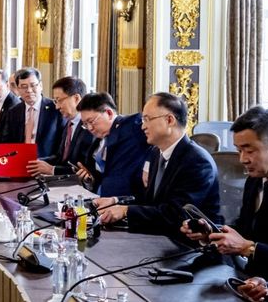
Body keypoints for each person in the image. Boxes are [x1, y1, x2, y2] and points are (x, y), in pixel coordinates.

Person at [180, 107, 268, 281]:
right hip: (249, 281)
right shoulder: (255, 179)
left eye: (249, 150)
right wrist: (213, 233)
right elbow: (247, 229)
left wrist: (249, 248)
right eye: (239, 150)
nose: (242, 159)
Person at [94, 92, 221, 236]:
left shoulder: (197, 161)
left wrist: (126, 211)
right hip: (158, 237)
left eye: (147, 119)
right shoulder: (156, 154)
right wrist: (116, 201)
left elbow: (178, 215)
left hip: (188, 245)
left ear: (169, 120)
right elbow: (150, 201)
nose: (143, 127)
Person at [74, 92, 148, 198]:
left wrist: (149, 165)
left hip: (128, 201)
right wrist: (91, 179)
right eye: (85, 124)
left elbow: (158, 141)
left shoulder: (132, 125)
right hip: (102, 200)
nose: (90, 128)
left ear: (109, 113)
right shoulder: (96, 143)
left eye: (91, 121)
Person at [27, 76, 95, 177]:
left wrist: (52, 170)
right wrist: (36, 162)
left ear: (76, 98)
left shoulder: (90, 128)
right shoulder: (68, 124)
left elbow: (84, 169)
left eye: (59, 100)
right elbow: (60, 157)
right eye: (55, 101)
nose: (57, 106)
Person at [0, 67, 62, 159]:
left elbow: (61, 147)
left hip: (46, 165)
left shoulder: (55, 109)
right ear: (18, 89)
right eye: (24, 87)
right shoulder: (13, 112)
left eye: (33, 85)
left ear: (40, 86)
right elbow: (6, 143)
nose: (29, 90)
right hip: (19, 163)